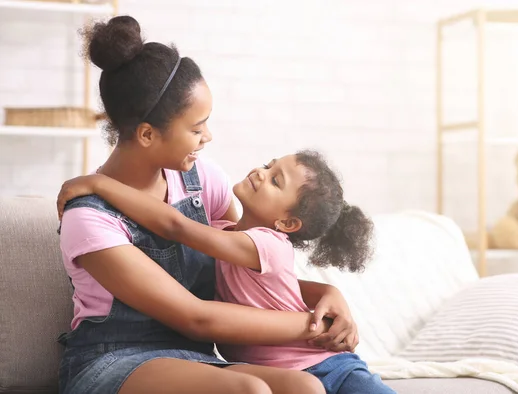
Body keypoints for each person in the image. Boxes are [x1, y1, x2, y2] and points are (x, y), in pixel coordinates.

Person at [56, 15, 358, 394]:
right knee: (249, 390)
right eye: (196, 129)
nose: (208, 137)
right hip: (113, 362)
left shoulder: (202, 181)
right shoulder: (88, 215)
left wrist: (330, 296)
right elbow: (196, 319)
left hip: (196, 358)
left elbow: (245, 273)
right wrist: (315, 323)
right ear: (148, 134)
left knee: (306, 388)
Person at [57, 150, 395, 394]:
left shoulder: (265, 244)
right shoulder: (229, 233)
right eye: (268, 164)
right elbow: (283, 289)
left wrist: (100, 185)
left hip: (326, 364)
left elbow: (176, 225)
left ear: (287, 223)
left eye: (275, 180)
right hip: (282, 370)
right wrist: (327, 292)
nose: (261, 172)